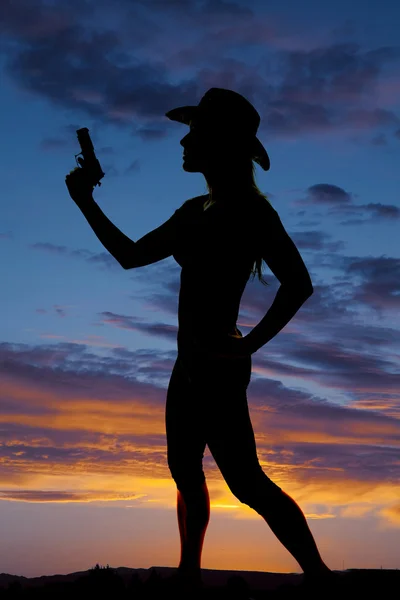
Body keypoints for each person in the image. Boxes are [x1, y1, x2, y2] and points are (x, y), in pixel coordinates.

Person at [65, 87, 334, 596]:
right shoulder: (194, 210)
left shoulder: (253, 213)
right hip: (188, 363)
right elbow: (130, 255)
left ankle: (321, 578)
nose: (184, 141)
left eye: (195, 133)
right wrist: (85, 202)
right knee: (185, 471)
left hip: (217, 362)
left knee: (245, 481)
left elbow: (298, 283)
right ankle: (190, 575)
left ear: (221, 143)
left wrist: (249, 344)